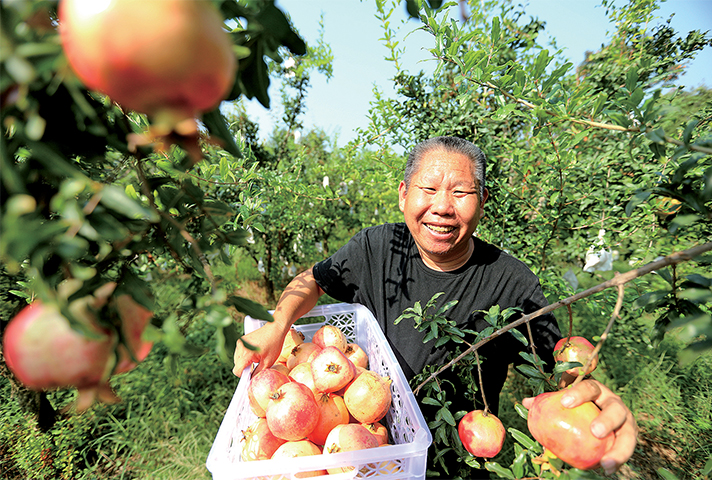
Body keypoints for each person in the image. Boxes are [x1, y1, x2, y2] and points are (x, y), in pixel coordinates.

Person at [233, 136, 638, 477]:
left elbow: (561, 368)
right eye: (428, 189)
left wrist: (592, 405)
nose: (443, 207)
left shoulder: (513, 282)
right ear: (404, 194)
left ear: (482, 200)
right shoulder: (376, 248)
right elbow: (315, 280)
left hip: (459, 460)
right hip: (373, 454)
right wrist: (279, 321)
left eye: (460, 192)